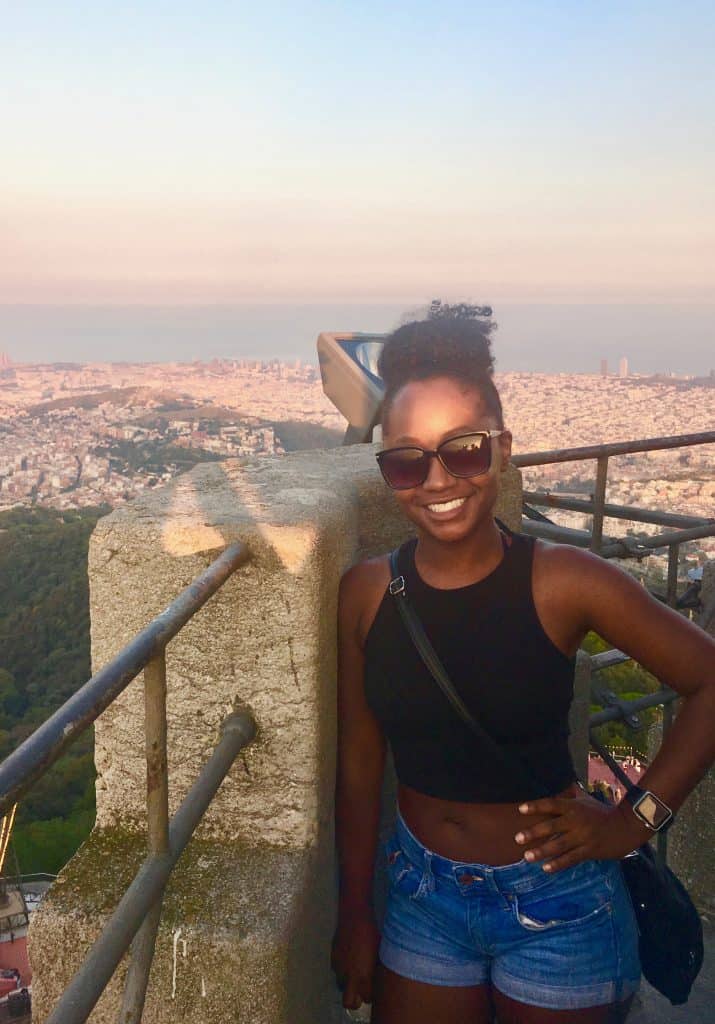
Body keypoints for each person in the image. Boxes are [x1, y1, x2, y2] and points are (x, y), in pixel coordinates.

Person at [331, 307, 715, 1024]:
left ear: (502, 450)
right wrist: (355, 911)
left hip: (558, 899)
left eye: (464, 451)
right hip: (421, 896)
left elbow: (708, 678)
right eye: (408, 460)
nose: (438, 480)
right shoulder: (366, 593)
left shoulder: (565, 582)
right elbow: (358, 765)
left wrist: (633, 822)